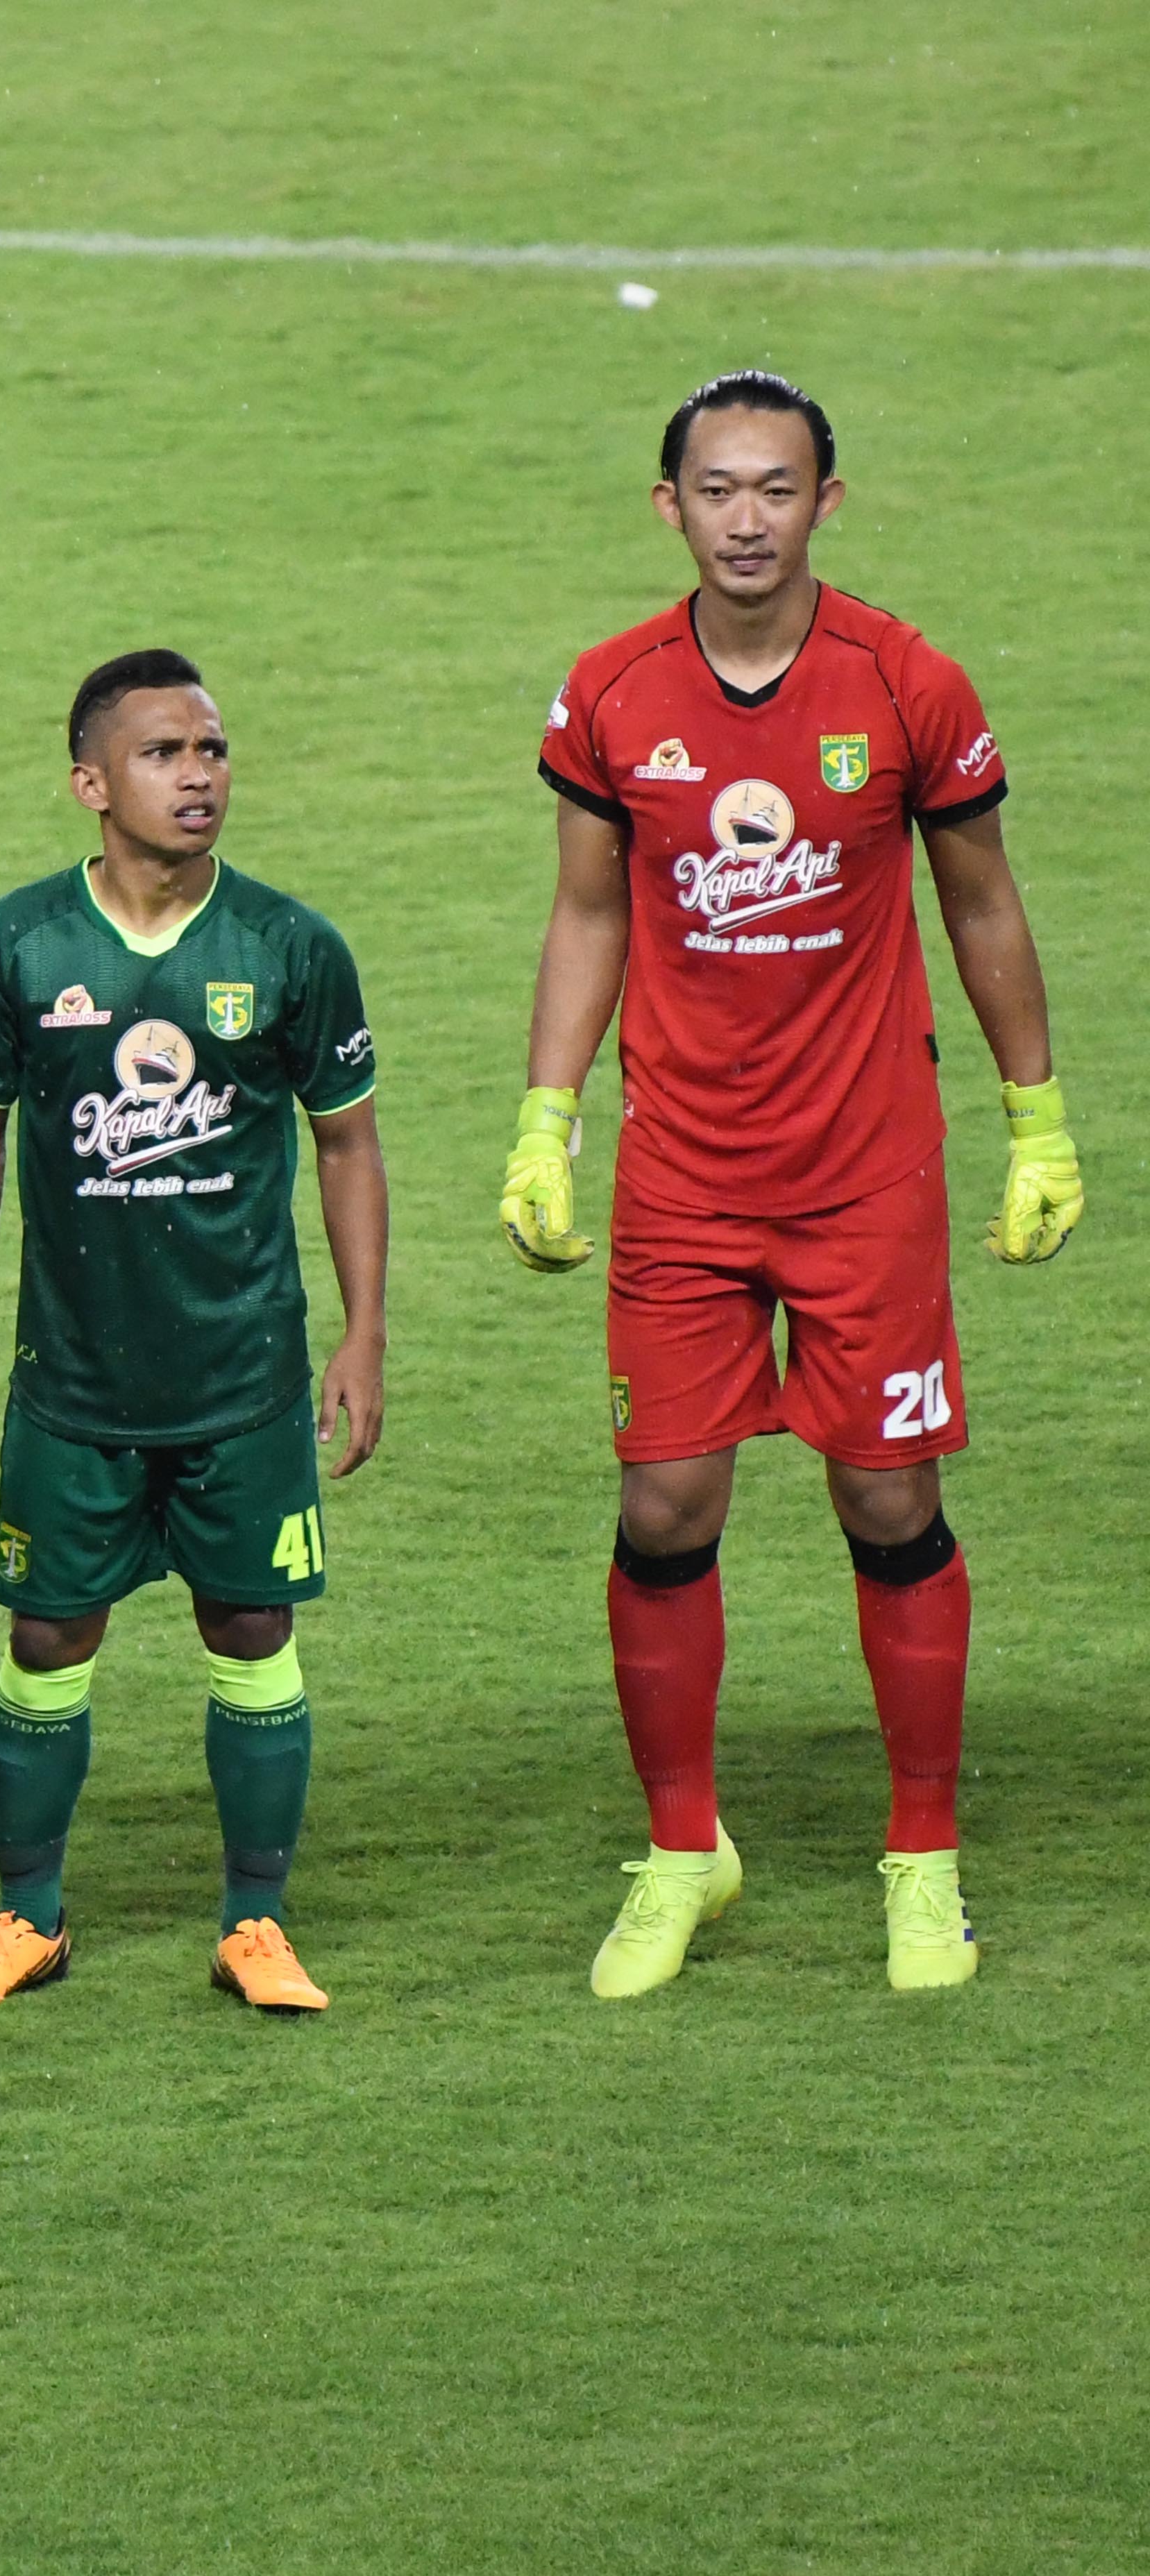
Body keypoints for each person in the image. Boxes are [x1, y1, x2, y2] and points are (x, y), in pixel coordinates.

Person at [509, 371, 1077, 1998]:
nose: (745, 517)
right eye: (716, 489)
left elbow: (981, 902)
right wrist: (547, 1118)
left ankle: (923, 1855)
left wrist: (1037, 1117)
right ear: (669, 506)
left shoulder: (903, 682)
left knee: (887, 1497)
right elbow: (591, 911)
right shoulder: (612, 693)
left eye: (777, 488)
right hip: (684, 1174)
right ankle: (685, 1848)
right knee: (665, 1500)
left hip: (863, 1174)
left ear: (828, 500)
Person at [0, 652, 387, 2020]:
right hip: (73, 1385)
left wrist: (364, 1336)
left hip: (243, 1377)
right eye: (165, 753)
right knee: (48, 1636)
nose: (200, 775)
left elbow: (348, 1142)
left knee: (251, 1623)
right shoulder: (19, 943)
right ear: (91, 783)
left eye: (214, 749)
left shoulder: (288, 947)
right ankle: (31, 1914)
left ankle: (256, 1920)